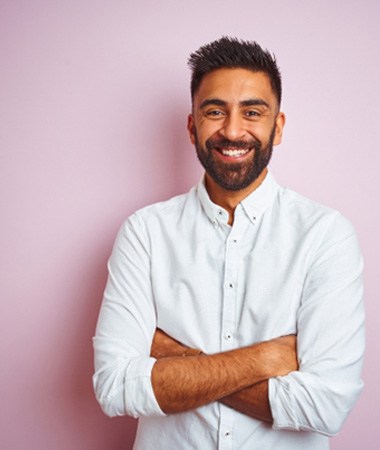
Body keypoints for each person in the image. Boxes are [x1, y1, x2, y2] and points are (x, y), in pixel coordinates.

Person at [93, 36, 365, 450]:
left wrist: (170, 359)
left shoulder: (325, 235)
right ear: (192, 127)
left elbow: (326, 405)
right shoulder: (144, 233)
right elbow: (114, 387)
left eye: (252, 112)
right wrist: (264, 359)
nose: (233, 130)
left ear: (278, 127)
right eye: (215, 111)